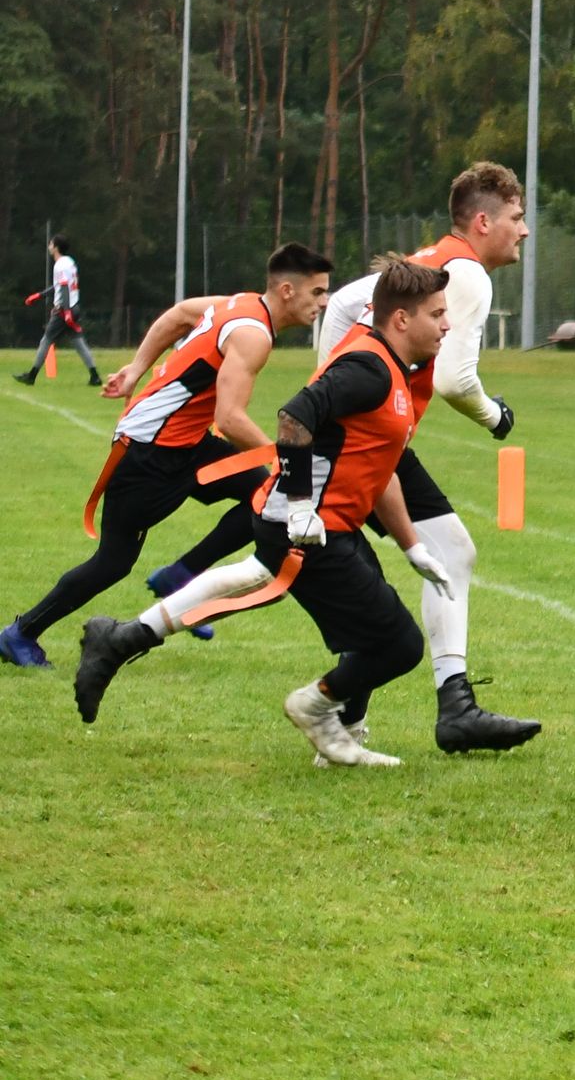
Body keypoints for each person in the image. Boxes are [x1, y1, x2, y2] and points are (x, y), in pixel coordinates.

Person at [70, 258, 458, 766]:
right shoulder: (368, 369)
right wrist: (300, 506)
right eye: (437, 314)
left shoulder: (392, 370)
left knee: (273, 583)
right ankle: (319, 713)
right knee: (398, 644)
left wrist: (412, 546)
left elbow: (379, 468)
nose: (447, 324)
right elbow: (293, 417)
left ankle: (121, 638)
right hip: (308, 528)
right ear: (402, 319)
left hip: (318, 524)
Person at [0, 246, 333, 673]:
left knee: (262, 494)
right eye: (317, 292)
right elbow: (230, 419)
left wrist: (136, 369)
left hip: (186, 445)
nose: (324, 302)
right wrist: (287, 460)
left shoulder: (238, 304)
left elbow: (178, 315)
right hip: (149, 452)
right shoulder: (253, 334)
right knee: (113, 562)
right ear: (287, 290)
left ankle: (181, 574)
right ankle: (21, 632)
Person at [314, 162, 539, 754]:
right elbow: (455, 380)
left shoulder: (430, 261)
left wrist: (331, 383)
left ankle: (447, 707)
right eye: (517, 218)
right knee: (283, 570)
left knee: (445, 553)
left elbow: (342, 304)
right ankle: (136, 631)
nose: (524, 230)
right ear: (484, 221)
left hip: (364, 438)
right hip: (362, 442)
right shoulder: (469, 274)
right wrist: (495, 416)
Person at [15, 235, 103, 386]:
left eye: (51, 244)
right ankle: (95, 376)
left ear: (56, 247)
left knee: (46, 341)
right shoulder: (70, 262)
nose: (49, 246)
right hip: (74, 306)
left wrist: (66, 311)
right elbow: (60, 286)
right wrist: (40, 295)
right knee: (79, 343)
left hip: (64, 309)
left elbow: (63, 287)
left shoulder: (60, 265)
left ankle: (31, 376)